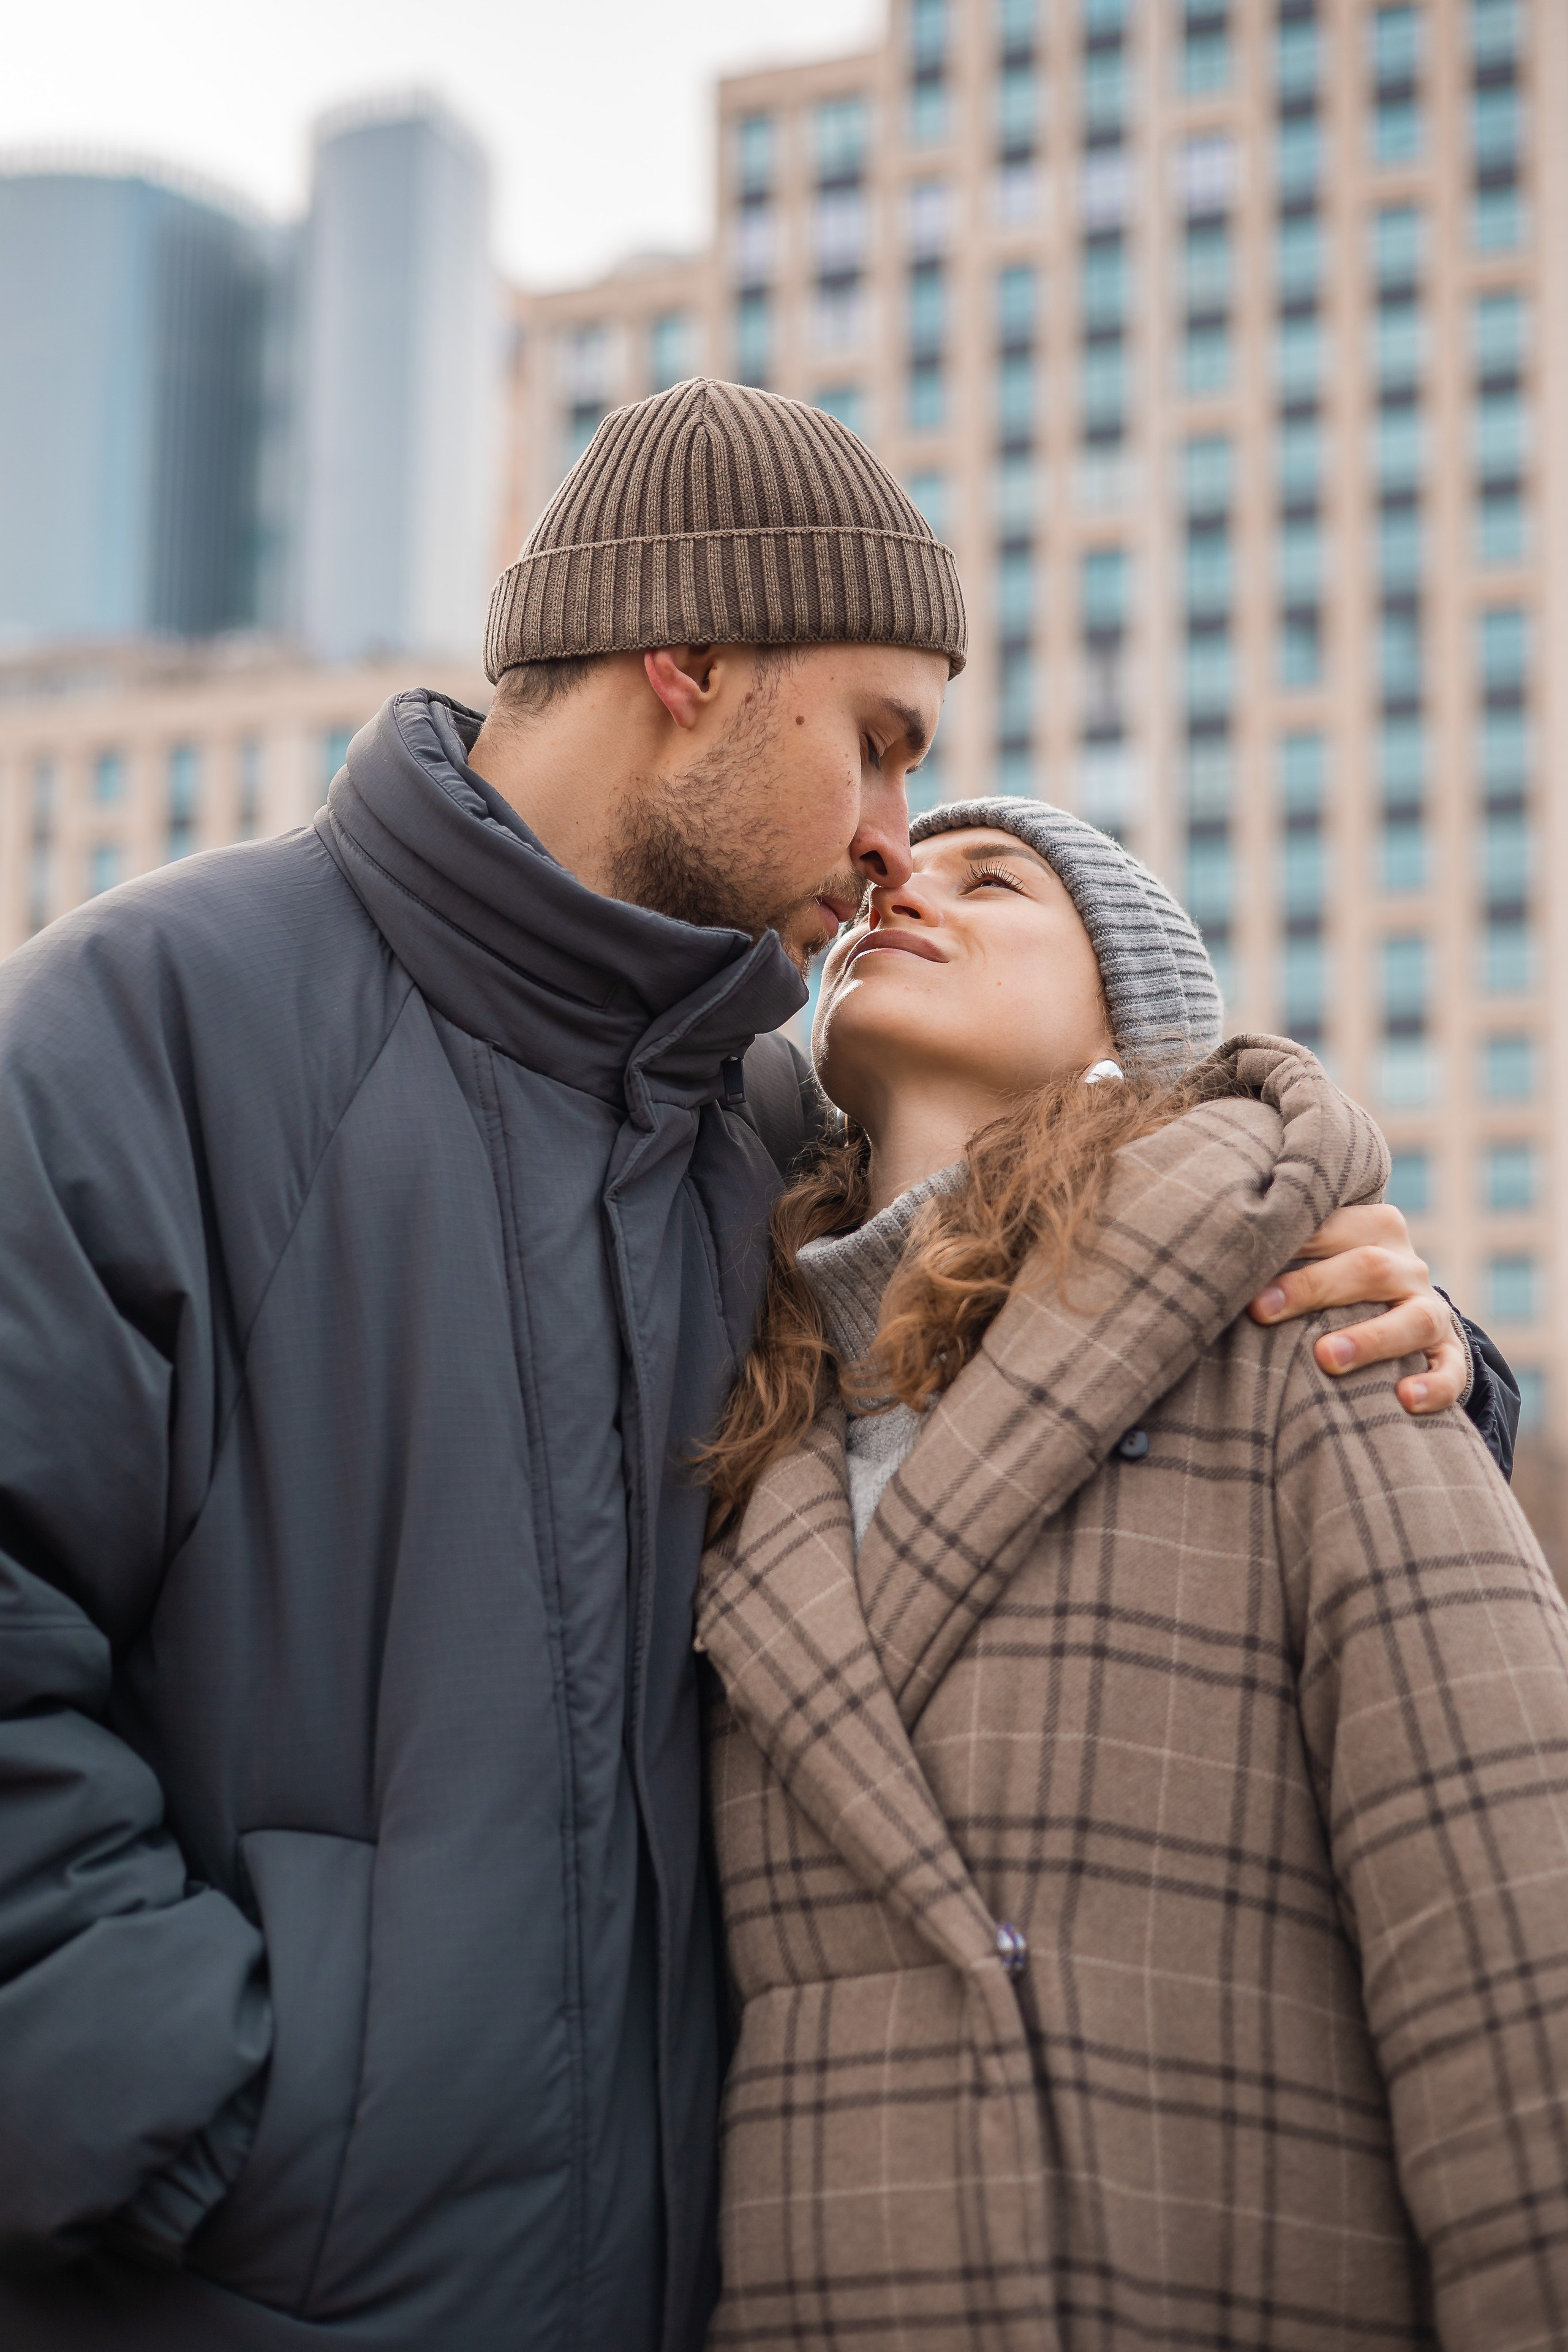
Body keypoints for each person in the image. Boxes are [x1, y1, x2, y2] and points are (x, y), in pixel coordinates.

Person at [0, 385, 1515, 2352]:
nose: (897, 840)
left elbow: (1071, 1293)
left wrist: (1425, 1362)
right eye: (881, 742)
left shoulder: (766, 1152)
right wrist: (204, 2124)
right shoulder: (150, 1026)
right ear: (691, 659)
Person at [696, 797, 1568, 2352]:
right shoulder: (744, 1426)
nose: (901, 880)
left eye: (994, 881)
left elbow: (1510, 1939)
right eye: (902, 863)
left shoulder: (1309, 1329)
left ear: (1126, 1017)